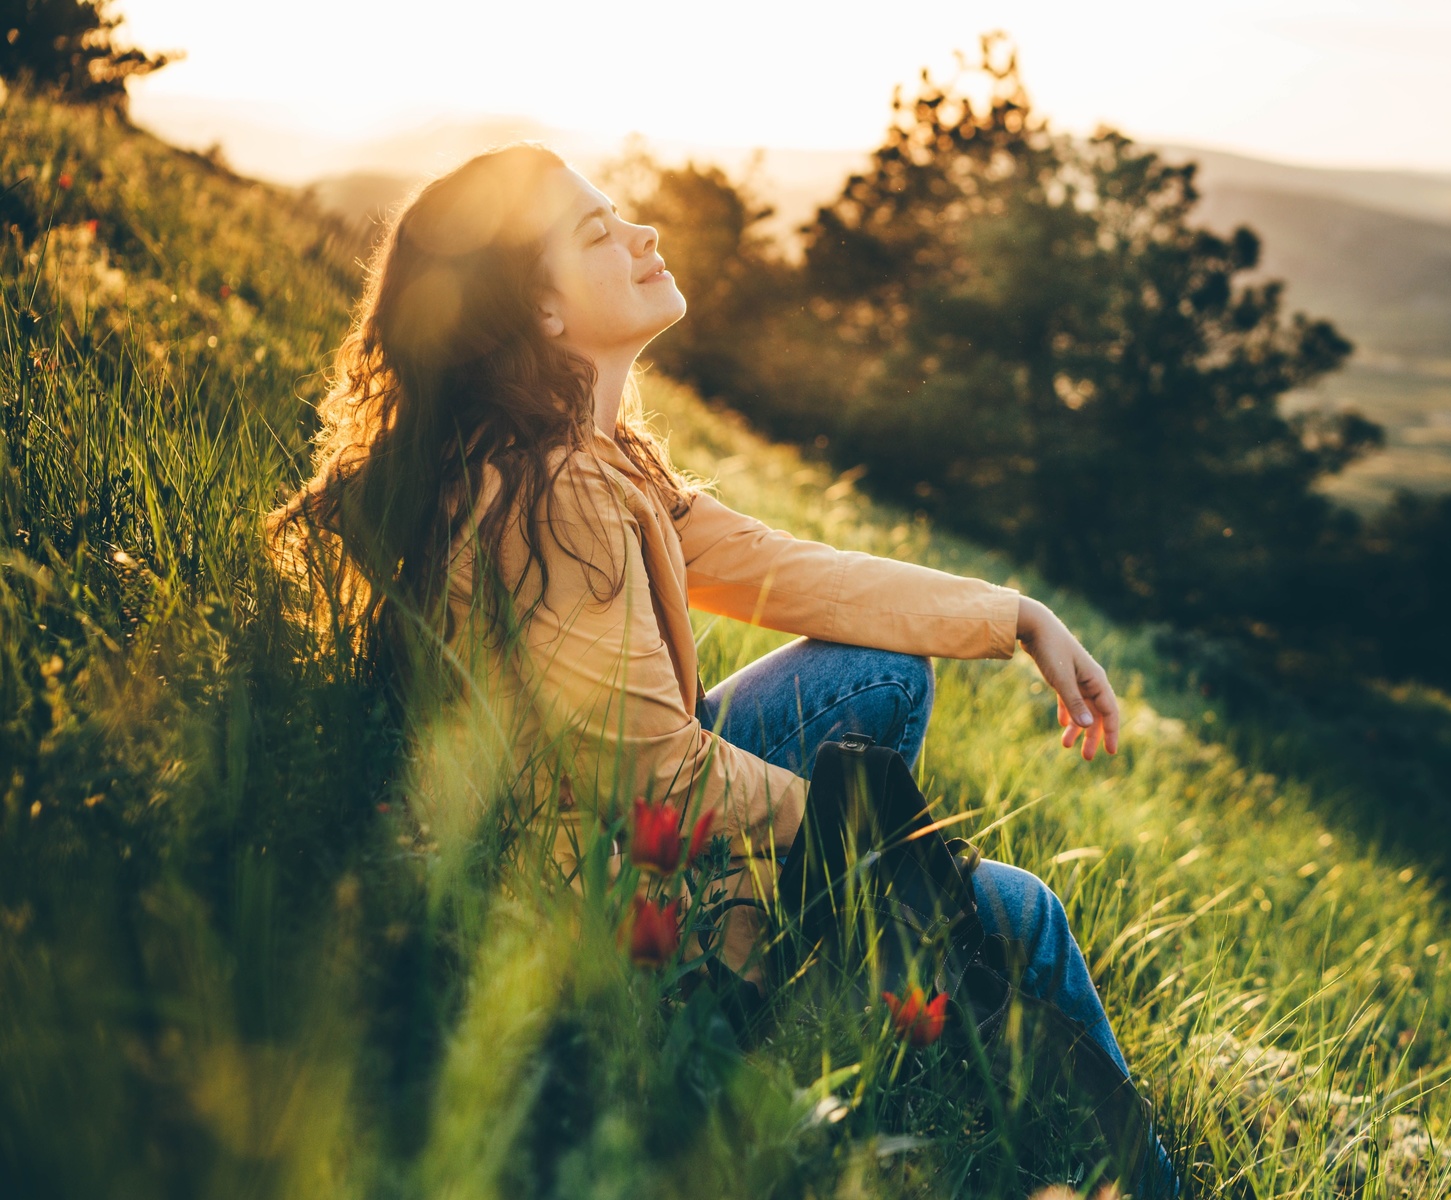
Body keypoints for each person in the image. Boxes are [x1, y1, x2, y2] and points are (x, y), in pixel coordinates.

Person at [272, 144, 1166, 1182]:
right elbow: (648, 770)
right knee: (1021, 915)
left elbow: (789, 571)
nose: (643, 235)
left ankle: (844, 956)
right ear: (543, 317)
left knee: (883, 673)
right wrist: (885, 858)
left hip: (603, 832)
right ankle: (1115, 1163)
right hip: (617, 917)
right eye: (598, 234)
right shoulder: (551, 491)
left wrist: (1015, 618)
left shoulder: (592, 455)